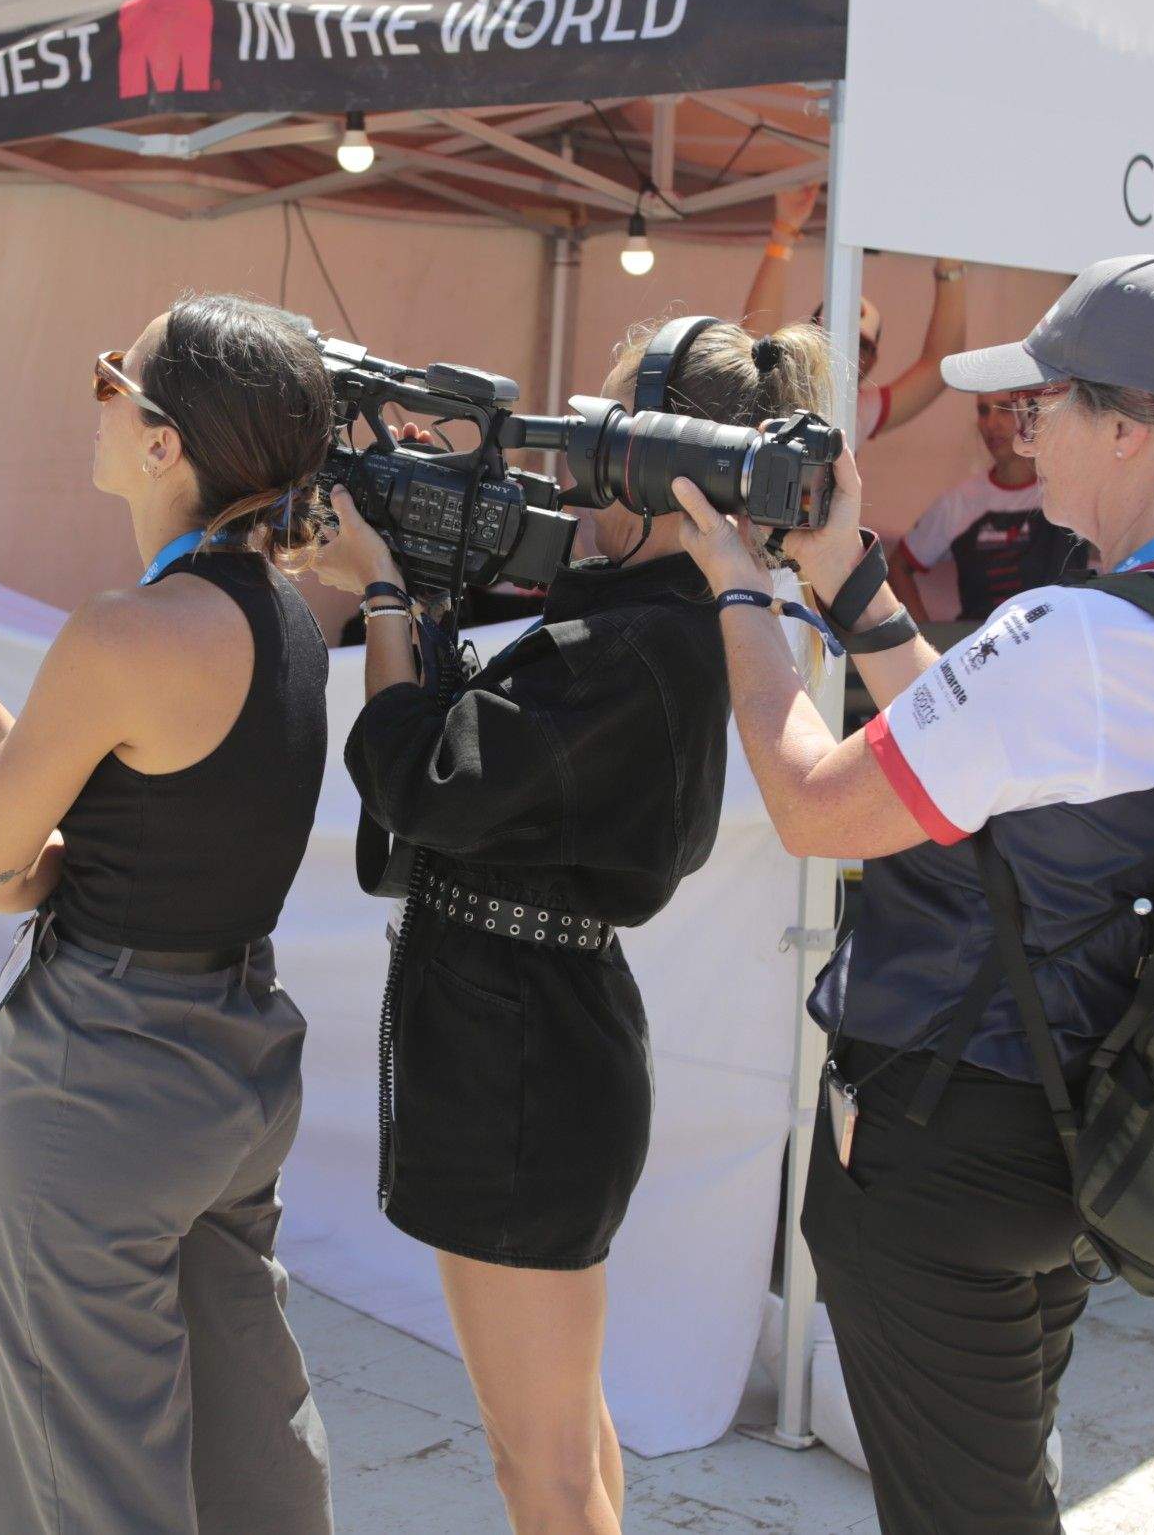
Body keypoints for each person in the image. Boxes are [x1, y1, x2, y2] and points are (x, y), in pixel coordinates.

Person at [669, 253, 1154, 1534]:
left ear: (1129, 429)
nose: (1025, 428)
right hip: (1076, 1123)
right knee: (998, 1486)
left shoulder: (1079, 637)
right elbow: (1005, 761)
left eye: (1046, 401)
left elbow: (811, 802)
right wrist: (848, 579)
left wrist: (739, 593)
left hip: (951, 1148)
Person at [314, 316, 829, 1535]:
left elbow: (421, 776)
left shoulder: (635, 639)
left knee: (534, 1469)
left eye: (603, 432)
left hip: (520, 1056)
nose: (570, 457)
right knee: (564, 1437)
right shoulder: (641, 617)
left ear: (660, 465)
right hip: (525, 1035)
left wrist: (383, 590)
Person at [0, 295, 335, 1535]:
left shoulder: (125, 630)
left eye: (112, 376)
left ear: (167, 442)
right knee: (251, 1439)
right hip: (236, 1060)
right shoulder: (287, 615)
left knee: (80, 1474)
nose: (98, 398)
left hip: (105, 1075)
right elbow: (144, 842)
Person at [742, 182, 965, 440]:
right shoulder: (784, 389)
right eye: (833, 337)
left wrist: (951, 254)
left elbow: (941, 366)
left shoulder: (859, 410)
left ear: (873, 361)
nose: (848, 350)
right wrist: (783, 233)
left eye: (862, 345)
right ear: (809, 340)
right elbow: (754, 349)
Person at [893, 390, 1090, 624]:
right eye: (983, 411)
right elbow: (897, 567)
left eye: (1005, 409)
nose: (991, 424)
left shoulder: (1072, 490)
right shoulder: (960, 501)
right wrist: (927, 641)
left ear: (1034, 413)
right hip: (983, 652)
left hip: (1058, 648)